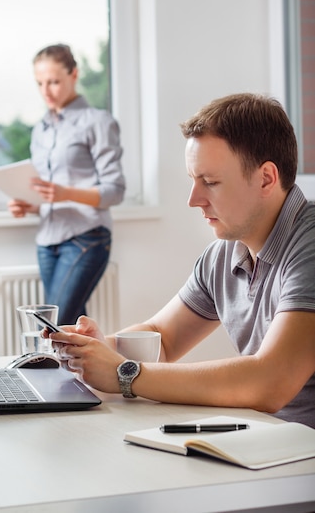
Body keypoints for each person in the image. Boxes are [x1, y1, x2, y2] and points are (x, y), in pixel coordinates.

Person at [50, 93, 315, 428]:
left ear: (266, 178)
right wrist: (99, 348)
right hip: (268, 442)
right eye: (193, 180)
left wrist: (123, 373)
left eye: (211, 182)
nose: (194, 200)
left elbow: (271, 381)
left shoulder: (309, 246)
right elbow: (164, 336)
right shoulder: (224, 254)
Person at [8, 43, 125, 324]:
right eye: (40, 83)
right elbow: (47, 194)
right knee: (70, 328)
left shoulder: (97, 122)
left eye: (54, 82)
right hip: (47, 240)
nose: (46, 91)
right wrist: (29, 205)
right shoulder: (40, 129)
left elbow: (115, 190)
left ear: (74, 74)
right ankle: (87, 370)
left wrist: (65, 194)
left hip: (86, 236)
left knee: (52, 323)